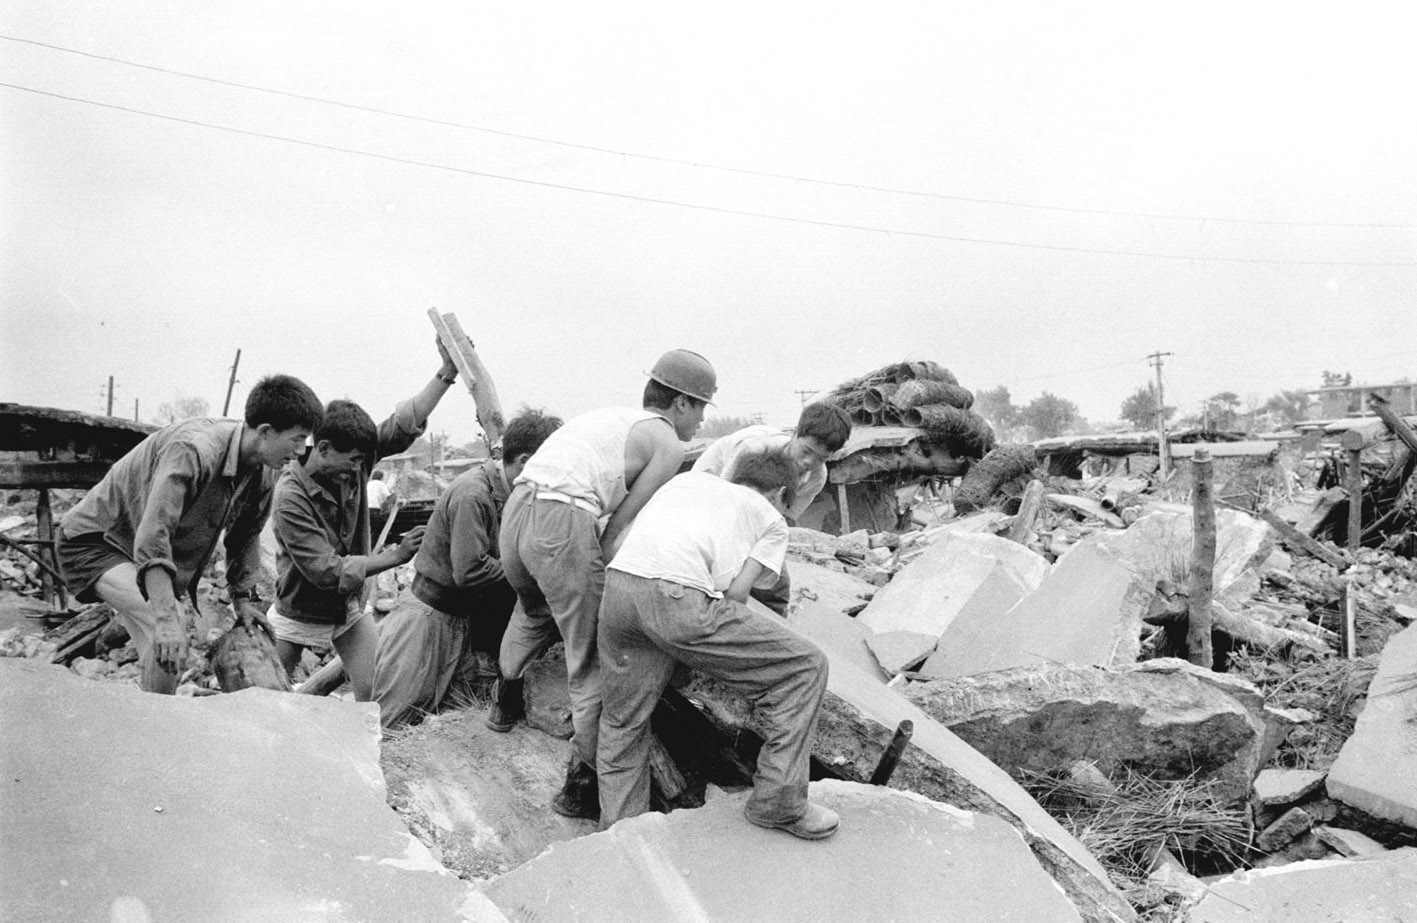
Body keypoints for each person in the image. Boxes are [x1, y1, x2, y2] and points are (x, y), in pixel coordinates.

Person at [487, 348, 717, 821]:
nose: (698, 423)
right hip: (561, 522)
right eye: (700, 409)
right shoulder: (669, 444)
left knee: (532, 611)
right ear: (681, 404)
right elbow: (617, 530)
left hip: (517, 514)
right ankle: (581, 785)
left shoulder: (609, 419)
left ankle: (502, 703)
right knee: (591, 660)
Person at [596, 449, 836, 840]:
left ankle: (622, 839)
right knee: (806, 666)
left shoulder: (687, 481)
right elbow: (738, 595)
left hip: (620, 591)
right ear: (780, 493)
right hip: (676, 600)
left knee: (623, 721)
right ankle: (778, 803)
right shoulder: (771, 519)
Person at [55, 375, 324, 694]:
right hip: (94, 544)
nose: (301, 449)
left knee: (160, 656)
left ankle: (151, 721)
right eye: (297, 438)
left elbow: (244, 537)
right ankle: (162, 730)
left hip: (135, 553)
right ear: (265, 431)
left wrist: (244, 601)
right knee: (170, 627)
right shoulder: (194, 450)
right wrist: (167, 615)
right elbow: (155, 534)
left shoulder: (264, 471)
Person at [268, 339, 461, 700]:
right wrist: (394, 556)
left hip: (349, 608)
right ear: (323, 449)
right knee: (268, 698)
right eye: (354, 461)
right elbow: (327, 570)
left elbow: (403, 425)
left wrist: (446, 374)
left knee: (373, 690)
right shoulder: (290, 496)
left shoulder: (351, 457)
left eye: (363, 460)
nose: (361, 469)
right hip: (300, 609)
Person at [372, 408, 563, 730]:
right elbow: (469, 570)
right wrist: (529, 572)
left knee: (448, 715)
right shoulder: (472, 494)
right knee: (393, 720)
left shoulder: (512, 495)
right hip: (427, 620)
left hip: (460, 622)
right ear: (525, 461)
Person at [691, 401, 851, 613]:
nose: (808, 462)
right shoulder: (754, 449)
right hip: (708, 492)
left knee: (776, 584)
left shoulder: (817, 477)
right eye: (806, 451)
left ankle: (773, 623)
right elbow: (724, 501)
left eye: (821, 458)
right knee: (716, 563)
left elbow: (782, 520)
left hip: (753, 514)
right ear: (795, 434)